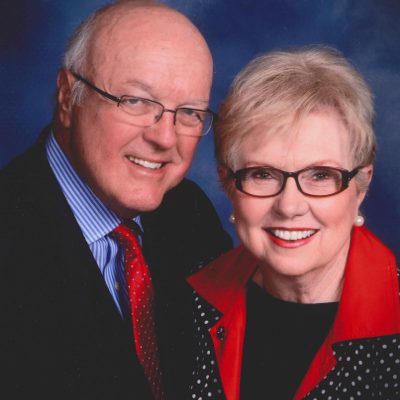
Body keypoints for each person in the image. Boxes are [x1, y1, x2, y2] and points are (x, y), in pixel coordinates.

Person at [0, 1, 231, 399]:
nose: (165, 138)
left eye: (189, 112)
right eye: (136, 101)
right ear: (68, 96)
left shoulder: (190, 214)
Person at [187, 46, 400, 400]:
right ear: (228, 183)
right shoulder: (189, 304)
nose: (289, 206)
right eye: (262, 174)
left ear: (361, 186)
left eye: (320, 175)